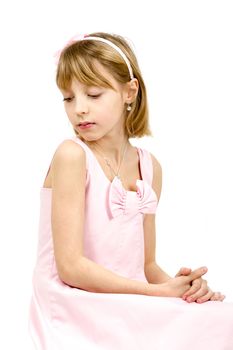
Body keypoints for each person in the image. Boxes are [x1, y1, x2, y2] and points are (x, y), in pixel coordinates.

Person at [28, 32, 233, 350]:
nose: (79, 108)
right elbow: (70, 267)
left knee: (218, 317)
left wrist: (182, 288)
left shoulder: (149, 167)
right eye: (69, 98)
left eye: (93, 94)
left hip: (127, 298)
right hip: (75, 301)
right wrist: (159, 294)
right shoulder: (72, 155)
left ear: (129, 92)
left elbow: (147, 266)